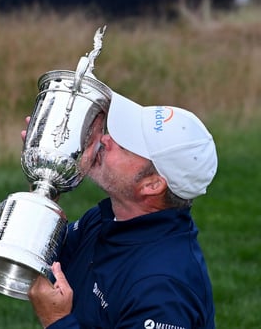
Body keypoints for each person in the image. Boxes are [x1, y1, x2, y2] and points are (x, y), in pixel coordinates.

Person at [26, 90, 218, 328]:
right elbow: (44, 260)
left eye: (125, 144)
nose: (106, 139)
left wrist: (56, 320)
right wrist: (47, 175)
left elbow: (54, 305)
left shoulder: (162, 289)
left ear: (152, 185)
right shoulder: (108, 219)